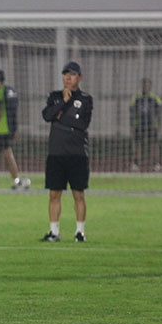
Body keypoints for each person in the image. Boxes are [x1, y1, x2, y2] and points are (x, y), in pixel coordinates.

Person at [41, 61, 94, 242]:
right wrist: (63, 103)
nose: (68, 78)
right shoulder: (55, 96)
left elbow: (82, 124)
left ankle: (80, 232)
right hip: (56, 153)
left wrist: (61, 118)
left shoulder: (86, 99)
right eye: (65, 75)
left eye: (72, 75)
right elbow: (47, 116)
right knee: (54, 194)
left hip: (77, 153)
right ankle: (54, 231)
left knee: (78, 194)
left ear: (79, 77)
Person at [129, 78, 162, 171]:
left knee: (154, 144)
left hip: (151, 124)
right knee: (137, 144)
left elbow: (159, 111)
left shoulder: (155, 98)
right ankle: (136, 163)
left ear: (150, 86)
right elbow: (132, 111)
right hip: (139, 124)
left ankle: (156, 163)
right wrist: (132, 125)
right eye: (144, 85)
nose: (145, 87)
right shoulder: (136, 98)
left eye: (147, 85)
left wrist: (158, 124)